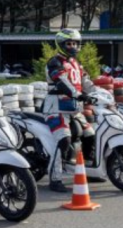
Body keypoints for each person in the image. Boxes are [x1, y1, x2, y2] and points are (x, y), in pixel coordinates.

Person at [42, 29, 97, 193]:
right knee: (64, 140)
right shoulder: (55, 62)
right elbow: (62, 82)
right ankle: (55, 178)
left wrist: (100, 94)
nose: (72, 46)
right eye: (69, 43)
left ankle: (86, 171)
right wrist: (78, 95)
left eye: (75, 43)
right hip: (56, 108)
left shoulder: (76, 64)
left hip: (74, 109)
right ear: (61, 45)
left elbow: (87, 82)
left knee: (90, 135)